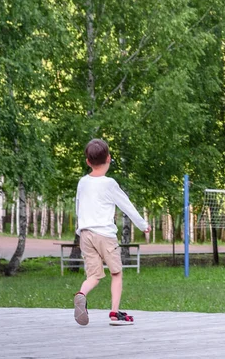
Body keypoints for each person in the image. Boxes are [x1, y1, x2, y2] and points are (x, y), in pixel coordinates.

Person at [73, 138, 150, 326]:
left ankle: (81, 294)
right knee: (116, 273)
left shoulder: (83, 182)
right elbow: (127, 206)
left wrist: (81, 225)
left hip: (85, 233)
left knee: (94, 275)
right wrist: (142, 225)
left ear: (87, 162)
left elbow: (78, 205)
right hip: (105, 236)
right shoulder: (109, 184)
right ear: (108, 158)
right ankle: (115, 313)